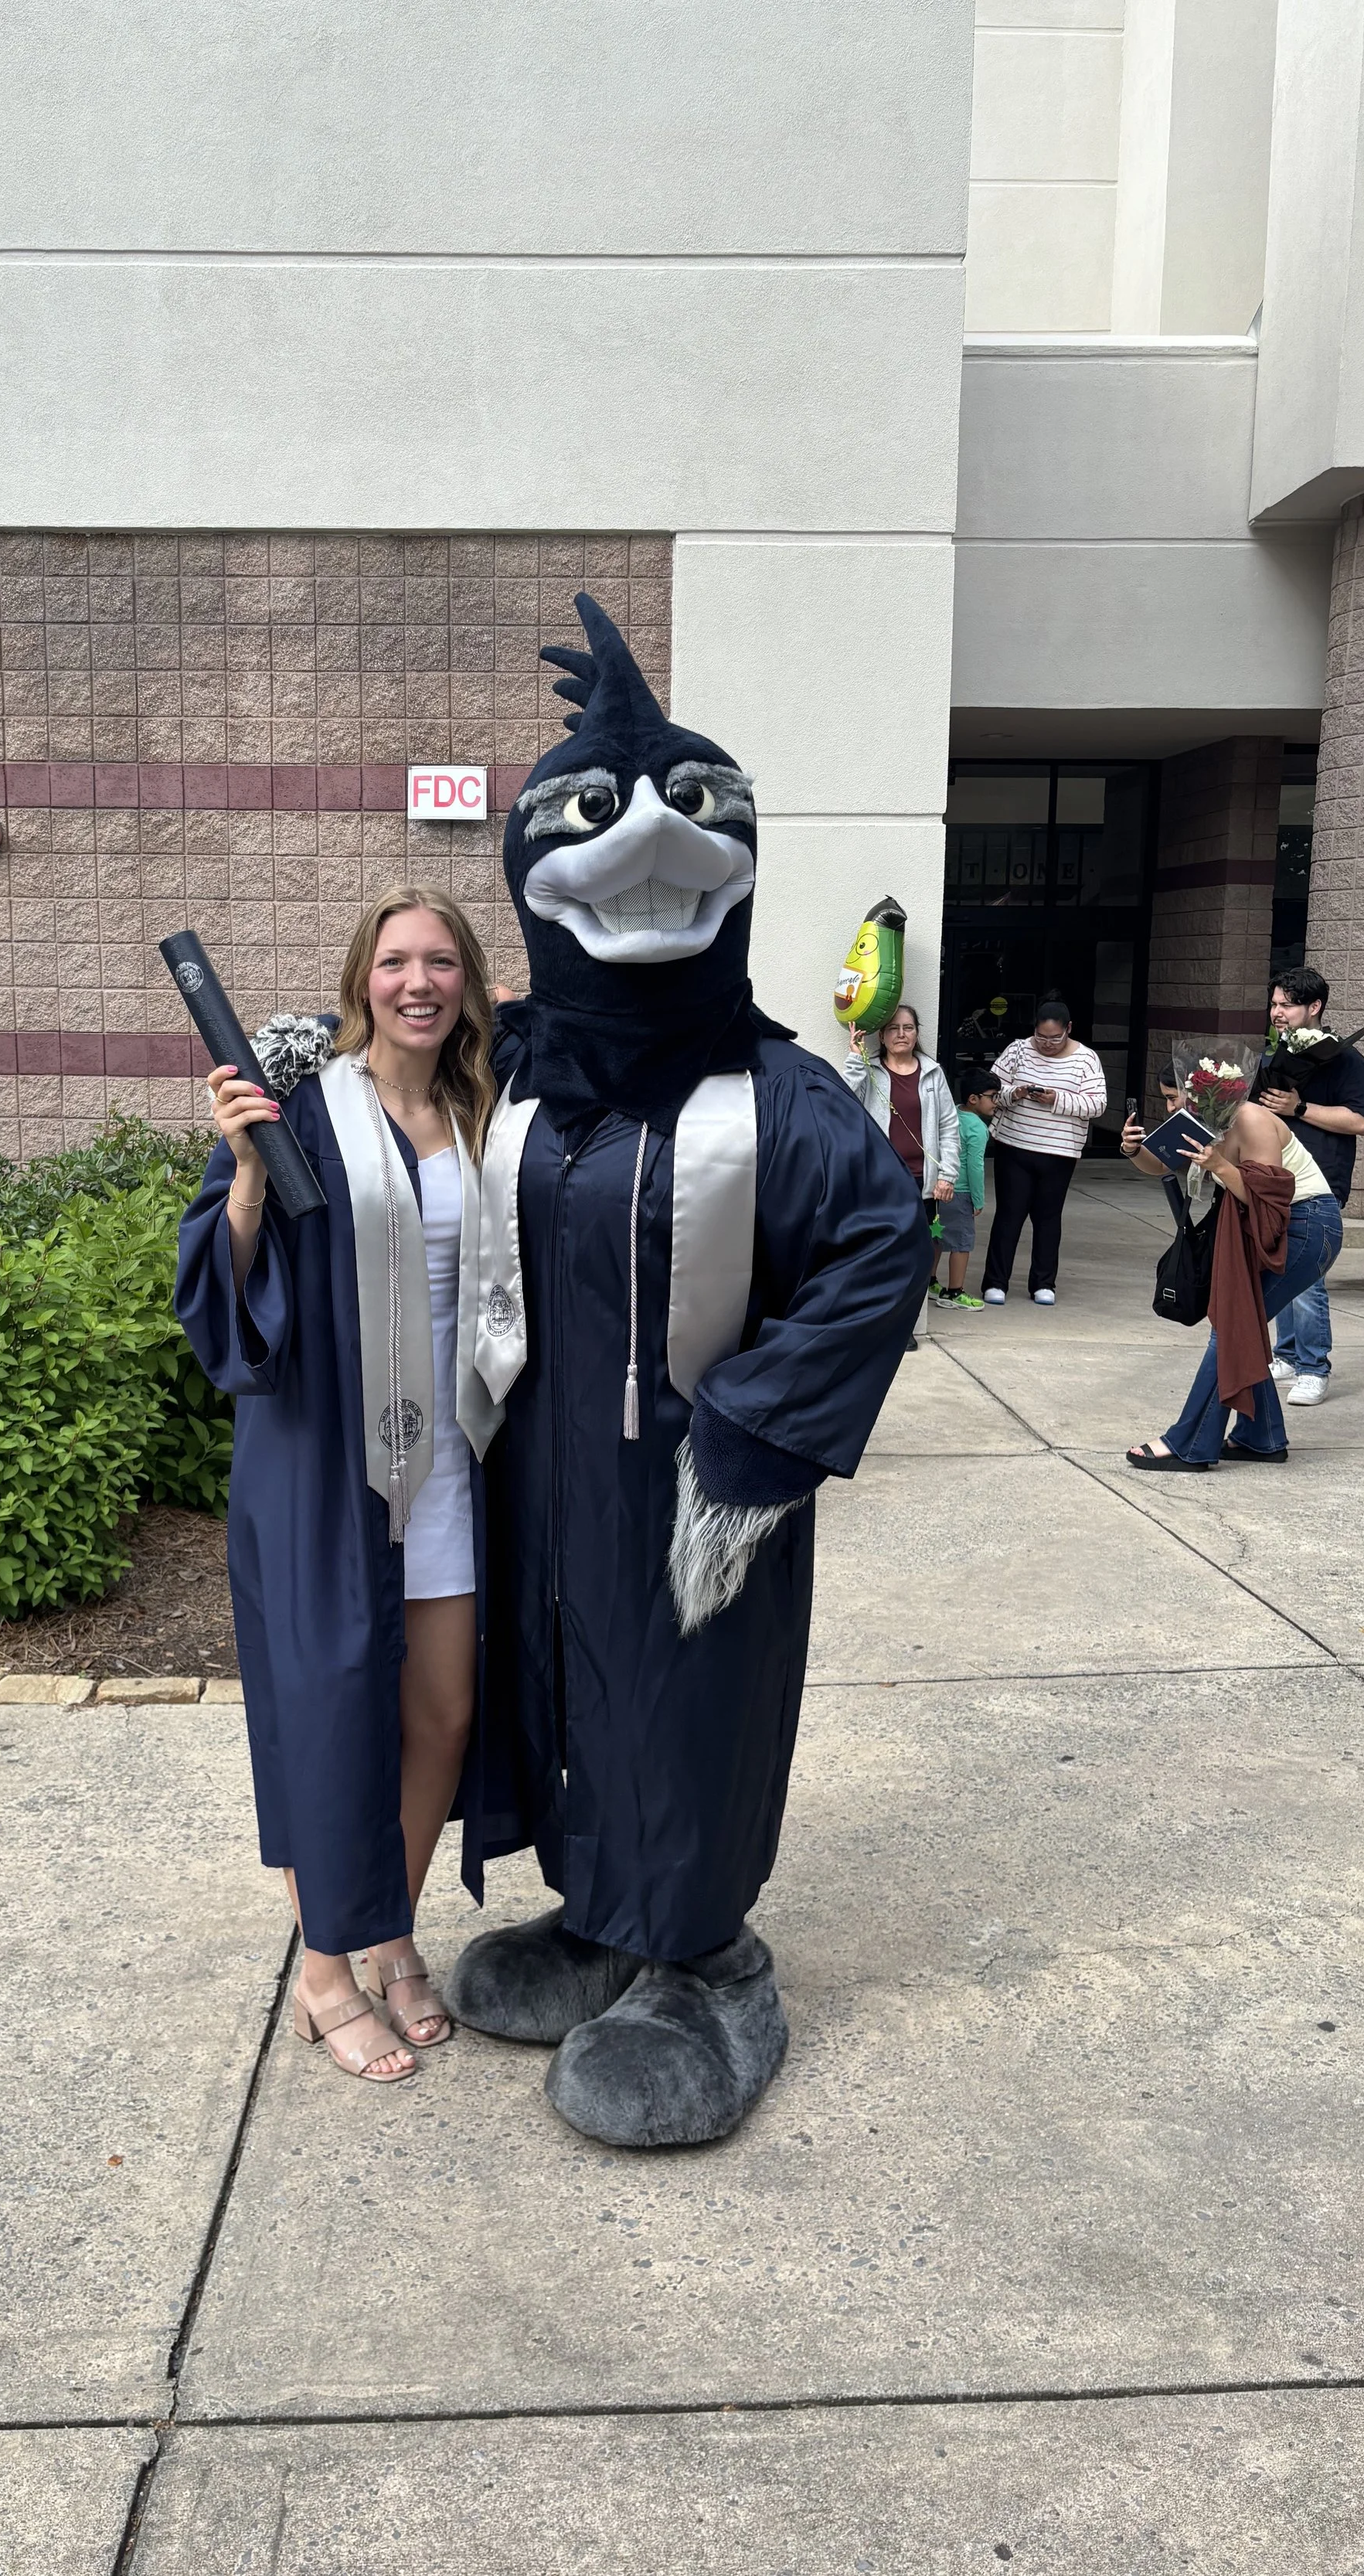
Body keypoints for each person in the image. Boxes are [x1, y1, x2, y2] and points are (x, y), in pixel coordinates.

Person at [441, 595, 929, 2150]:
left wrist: (752, 1433)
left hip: (690, 1468)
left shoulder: (779, 1095)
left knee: (685, 1698)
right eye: (591, 821)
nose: (646, 845)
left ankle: (707, 1960)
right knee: (566, 1679)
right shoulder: (516, 1076)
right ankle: (601, 1917)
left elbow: (876, 1249)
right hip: (537, 1462)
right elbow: (401, 1163)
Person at [175, 886, 505, 2084]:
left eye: (442, 962)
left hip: (452, 1454)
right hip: (326, 1458)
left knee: (443, 1712)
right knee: (328, 1715)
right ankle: (324, 1973)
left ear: (469, 980)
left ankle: (391, 1926)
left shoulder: (486, 1110)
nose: (418, 982)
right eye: (395, 962)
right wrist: (247, 1168)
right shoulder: (305, 1108)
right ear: (362, 977)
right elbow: (223, 1279)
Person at [1121, 1084, 1342, 1468]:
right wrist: (1133, 1149)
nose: (1171, 1107)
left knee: (1233, 1324)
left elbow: (1270, 1199)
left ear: (1210, 1093)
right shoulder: (1198, 1123)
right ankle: (1262, 1437)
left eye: (1176, 1097)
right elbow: (1159, 1163)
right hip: (1281, 1227)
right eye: (1167, 1097)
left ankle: (1189, 1443)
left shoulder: (1251, 1119)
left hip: (1306, 1225)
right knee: (1242, 1324)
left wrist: (1219, 1166)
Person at [1252, 967, 1364, 1407]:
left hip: (1321, 1178)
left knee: (1307, 1275)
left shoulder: (1346, 1060)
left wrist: (1299, 1107)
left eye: (1286, 1005)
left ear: (1315, 1007)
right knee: (1279, 1264)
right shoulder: (1275, 1056)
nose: (1277, 1013)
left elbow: (1360, 1121)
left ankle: (1313, 1367)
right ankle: (1286, 1354)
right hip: (1276, 1176)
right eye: (1274, 1004)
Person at [841, 1001, 958, 1343]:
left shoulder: (932, 1073)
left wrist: (947, 1174)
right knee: (879, 1255)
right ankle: (876, 1325)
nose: (901, 1034)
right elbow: (842, 1103)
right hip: (881, 1181)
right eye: (894, 1029)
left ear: (917, 1033)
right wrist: (855, 1059)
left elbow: (949, 1127)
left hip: (925, 1183)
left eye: (907, 1028)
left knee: (917, 1257)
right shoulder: (870, 1069)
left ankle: (903, 1325)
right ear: (882, 1035)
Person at [981, 995, 1107, 1305]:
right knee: (1009, 1215)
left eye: (1055, 1038)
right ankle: (996, 1282)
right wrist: (1018, 1092)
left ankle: (1043, 1283)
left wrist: (1056, 1099)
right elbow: (990, 1091)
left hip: (1059, 1152)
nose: (1047, 1044)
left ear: (1069, 1030)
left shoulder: (1086, 1059)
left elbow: (1097, 1104)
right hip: (1014, 1145)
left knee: (1048, 1218)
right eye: (1041, 1037)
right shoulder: (1018, 1050)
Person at [930, 1068, 996, 1309]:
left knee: (936, 1237)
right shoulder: (978, 1129)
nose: (996, 1102)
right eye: (993, 1096)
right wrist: (978, 1200)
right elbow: (976, 1167)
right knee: (962, 1243)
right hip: (961, 1193)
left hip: (938, 1189)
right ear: (974, 1099)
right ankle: (955, 1292)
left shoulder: (951, 1116)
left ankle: (930, 1281)